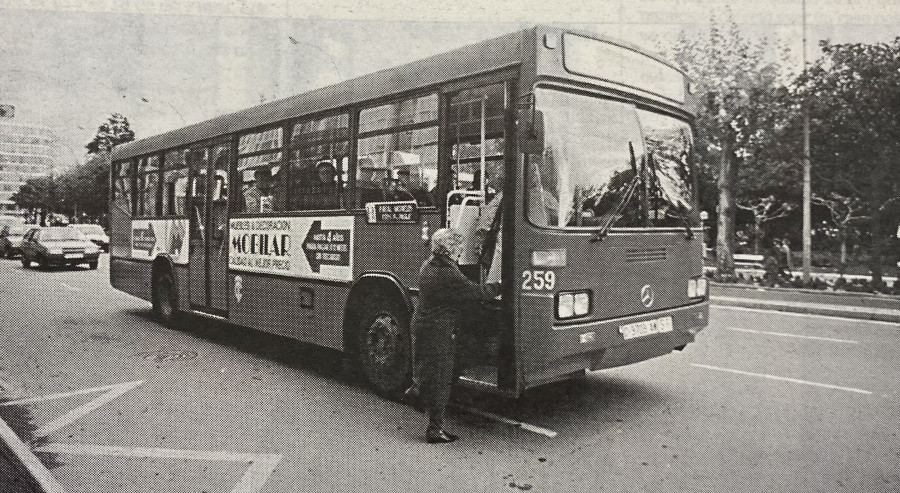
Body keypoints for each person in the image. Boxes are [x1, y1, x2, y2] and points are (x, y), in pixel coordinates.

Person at [405, 228, 501, 443]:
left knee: (430, 366)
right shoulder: (448, 272)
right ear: (450, 249)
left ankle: (417, 390)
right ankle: (434, 430)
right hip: (437, 331)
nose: (460, 251)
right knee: (442, 379)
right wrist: (502, 286)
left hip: (422, 325)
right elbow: (476, 292)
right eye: (458, 247)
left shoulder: (428, 263)